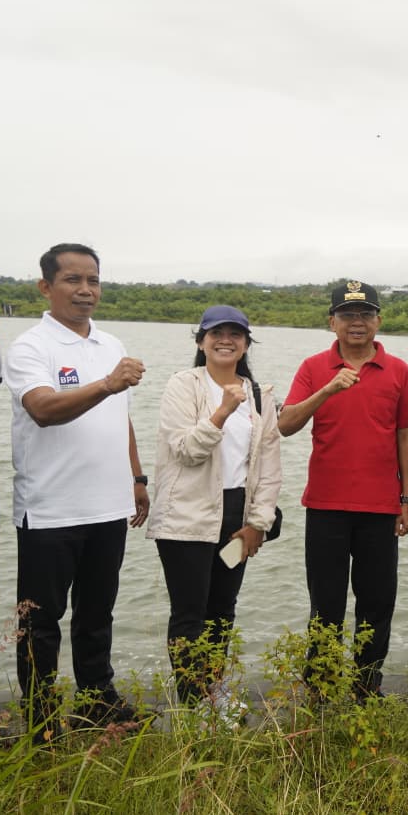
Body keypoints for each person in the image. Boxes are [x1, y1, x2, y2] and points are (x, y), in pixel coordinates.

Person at [4, 244, 150, 730]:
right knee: (41, 623)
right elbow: (43, 409)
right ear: (46, 286)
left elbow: (120, 418)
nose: (85, 290)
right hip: (51, 510)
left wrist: (136, 477)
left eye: (93, 280)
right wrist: (107, 384)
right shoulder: (31, 346)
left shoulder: (110, 344)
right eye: (72, 280)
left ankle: (97, 700)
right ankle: (41, 717)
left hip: (108, 505)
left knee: (97, 614)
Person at [277, 280, 408, 699]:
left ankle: (366, 686)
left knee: (377, 604)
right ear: (331, 322)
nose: (356, 323)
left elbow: (406, 436)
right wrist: (328, 388)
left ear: (378, 320)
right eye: (347, 315)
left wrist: (406, 500)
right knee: (326, 604)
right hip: (325, 505)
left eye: (365, 314)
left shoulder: (398, 370)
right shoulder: (312, 367)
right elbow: (286, 425)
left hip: (380, 506)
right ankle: (320, 688)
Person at [147, 305, 281, 717]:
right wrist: (222, 410)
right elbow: (186, 451)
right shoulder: (183, 385)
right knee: (190, 613)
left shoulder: (260, 394)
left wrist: (259, 523)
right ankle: (193, 702)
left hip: (236, 514)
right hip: (186, 516)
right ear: (201, 341)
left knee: (222, 610)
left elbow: (269, 466)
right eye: (216, 333)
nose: (225, 340)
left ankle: (214, 691)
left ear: (246, 344)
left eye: (235, 334)